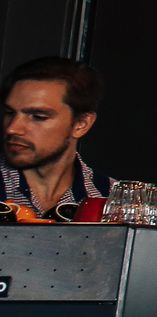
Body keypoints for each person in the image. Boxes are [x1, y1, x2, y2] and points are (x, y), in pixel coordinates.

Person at [2, 57, 111, 219]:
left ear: (81, 124)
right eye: (10, 113)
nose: (12, 128)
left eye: (38, 116)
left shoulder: (111, 200)